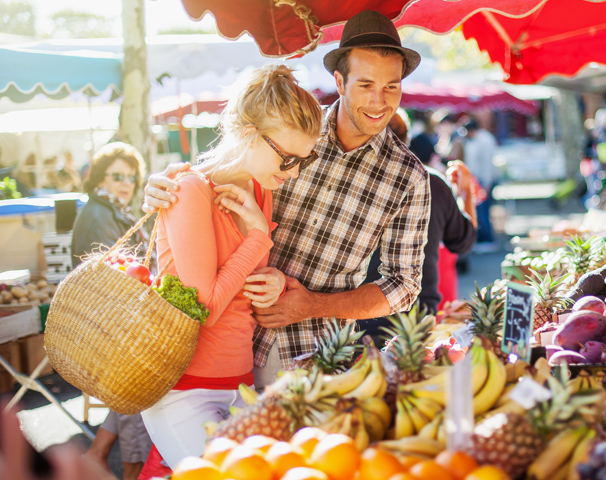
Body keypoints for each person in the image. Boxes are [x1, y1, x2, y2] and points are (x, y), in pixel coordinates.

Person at [142, 10, 430, 388]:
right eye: (365, 85)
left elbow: (404, 286)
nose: (379, 101)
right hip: (234, 338)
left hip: (318, 354)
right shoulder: (292, 129)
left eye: (391, 87)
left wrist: (312, 304)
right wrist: (164, 186)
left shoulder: (409, 177)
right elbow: (220, 174)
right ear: (340, 82)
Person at [140, 64, 322, 467]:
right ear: (245, 133)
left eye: (300, 162)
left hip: (240, 383)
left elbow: (239, 280)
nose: (292, 173)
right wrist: (259, 236)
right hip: (184, 391)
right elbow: (204, 308)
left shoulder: (261, 185)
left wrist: (275, 281)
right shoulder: (189, 190)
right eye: (288, 158)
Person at [69, 142, 150, 480]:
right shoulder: (100, 215)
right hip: (109, 325)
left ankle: (97, 454)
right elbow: (118, 276)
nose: (126, 183)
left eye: (131, 177)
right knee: (136, 393)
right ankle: (131, 473)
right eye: (117, 176)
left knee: (132, 392)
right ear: (99, 178)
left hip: (117, 319)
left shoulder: (115, 211)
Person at [363, 112, 476, 325]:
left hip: (356, 314)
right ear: (407, 140)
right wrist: (466, 193)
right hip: (416, 317)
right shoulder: (432, 182)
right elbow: (464, 243)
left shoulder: (352, 182)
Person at [462, 118, 498, 247]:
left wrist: (487, 184)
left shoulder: (484, 141)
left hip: (482, 180)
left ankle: (486, 239)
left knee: (483, 210)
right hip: (477, 179)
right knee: (480, 210)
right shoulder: (476, 140)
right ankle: (484, 238)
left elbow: (487, 163)